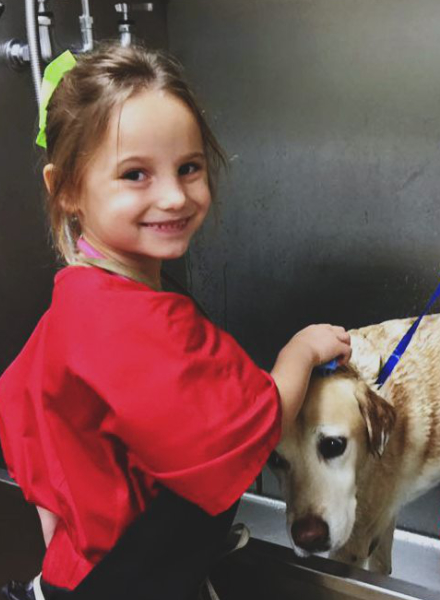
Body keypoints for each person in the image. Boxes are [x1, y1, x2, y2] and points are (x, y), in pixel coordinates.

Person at [0, 43, 351, 600]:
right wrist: (301, 353)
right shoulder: (137, 324)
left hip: (71, 576)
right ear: (65, 189)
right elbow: (255, 429)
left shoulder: (76, 295)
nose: (173, 196)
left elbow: (22, 416)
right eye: (136, 174)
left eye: (188, 167)